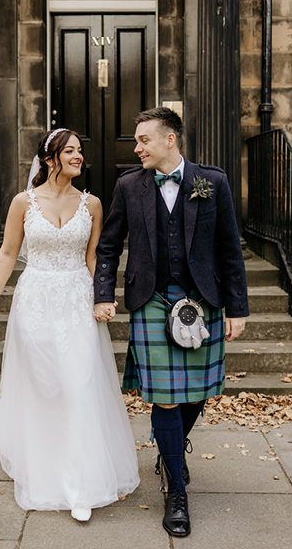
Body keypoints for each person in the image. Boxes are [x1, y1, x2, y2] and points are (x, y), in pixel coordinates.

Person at [0, 128, 140, 521]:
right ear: (50, 159)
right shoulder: (22, 202)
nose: (79, 157)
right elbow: (8, 254)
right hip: (35, 301)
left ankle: (79, 484)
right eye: (71, 151)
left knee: (78, 382)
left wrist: (104, 296)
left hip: (78, 300)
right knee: (47, 384)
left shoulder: (92, 204)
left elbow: (96, 258)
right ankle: (44, 464)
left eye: (81, 151)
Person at [93, 107, 249, 538]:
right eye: (136, 141)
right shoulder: (128, 185)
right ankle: (176, 492)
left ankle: (170, 449)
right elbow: (108, 246)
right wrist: (102, 293)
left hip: (204, 298)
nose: (137, 147)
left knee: (197, 392)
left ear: (169, 140)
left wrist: (237, 307)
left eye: (143, 140)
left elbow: (228, 248)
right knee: (164, 396)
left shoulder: (211, 181)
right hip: (152, 300)